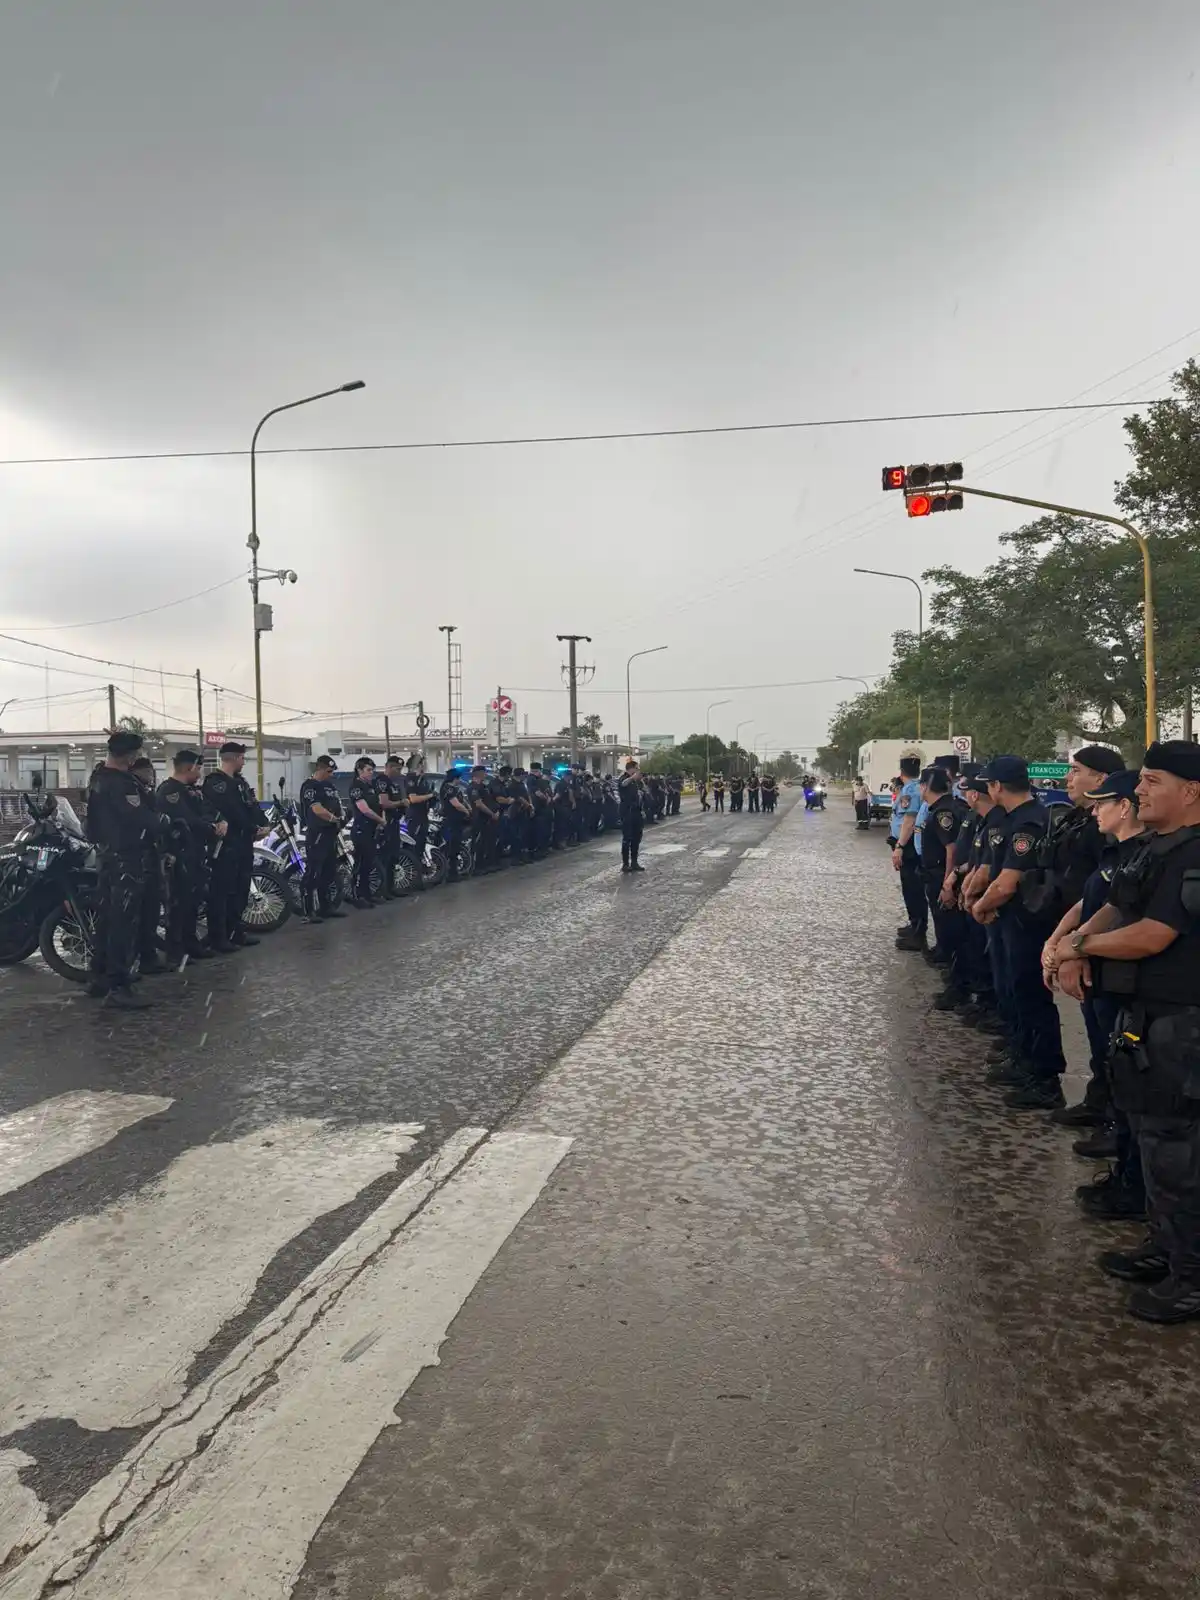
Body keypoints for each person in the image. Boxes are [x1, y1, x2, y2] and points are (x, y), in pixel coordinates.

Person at [1050, 742, 1200, 1323]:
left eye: (1152, 782)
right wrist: (1073, 944)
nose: (1139, 791)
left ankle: (1190, 1277)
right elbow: (1117, 906)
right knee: (1153, 1140)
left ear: (1189, 791)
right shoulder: (1155, 850)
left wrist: (1078, 946)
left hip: (1183, 1022)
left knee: (1179, 1150)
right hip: (1147, 1017)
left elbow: (1152, 935)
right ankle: (1166, 1250)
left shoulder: (1192, 856)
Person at [1042, 769, 1146, 1218]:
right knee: (1109, 1063)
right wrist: (1061, 942)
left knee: (1133, 1084)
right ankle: (1122, 1167)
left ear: (1124, 806)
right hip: (1101, 974)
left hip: (1125, 982)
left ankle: (1134, 1186)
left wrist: (1076, 949)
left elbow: (1131, 921)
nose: (1094, 809)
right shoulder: (1115, 854)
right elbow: (1093, 904)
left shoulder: (1146, 855)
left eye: (1102, 802)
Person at [969, 755, 1067, 1110]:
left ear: (996, 786)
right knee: (1011, 990)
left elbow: (1008, 881)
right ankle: (1022, 1058)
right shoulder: (1012, 819)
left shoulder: (1028, 823)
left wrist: (979, 905)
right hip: (1008, 922)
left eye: (988, 784)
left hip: (1025, 921)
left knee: (1030, 995)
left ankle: (1044, 1078)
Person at [85, 731, 158, 1008]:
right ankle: (118, 984)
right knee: (123, 923)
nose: (137, 758)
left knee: (107, 919)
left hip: (106, 857)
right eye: (136, 754)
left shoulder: (98, 778)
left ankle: (99, 976)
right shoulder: (121, 784)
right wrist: (164, 823)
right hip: (125, 860)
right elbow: (139, 816)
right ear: (129, 755)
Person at [157, 749, 225, 963]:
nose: (200, 772)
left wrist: (219, 821)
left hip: (195, 853)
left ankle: (191, 943)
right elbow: (187, 820)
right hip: (178, 855)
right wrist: (211, 827)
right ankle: (175, 951)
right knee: (178, 904)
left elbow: (208, 811)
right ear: (188, 767)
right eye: (198, 767)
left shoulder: (192, 791)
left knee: (192, 901)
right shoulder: (169, 791)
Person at [202, 741, 265, 951]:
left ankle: (236, 932)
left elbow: (251, 805)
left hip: (244, 842)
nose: (243, 762)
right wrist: (252, 827)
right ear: (235, 758)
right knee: (222, 892)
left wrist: (263, 824)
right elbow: (231, 811)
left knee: (240, 889)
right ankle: (218, 937)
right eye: (242, 758)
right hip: (226, 844)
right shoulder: (215, 783)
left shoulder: (240, 782)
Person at [920, 766, 970, 1008]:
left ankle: (957, 987)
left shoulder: (943, 812)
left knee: (951, 933)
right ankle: (956, 981)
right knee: (949, 932)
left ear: (926, 787)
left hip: (942, 876)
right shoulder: (947, 807)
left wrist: (947, 882)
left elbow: (950, 849)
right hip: (940, 876)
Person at [298, 755, 346, 921]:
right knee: (313, 873)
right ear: (320, 769)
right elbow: (317, 809)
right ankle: (308, 911)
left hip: (331, 834)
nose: (331, 774)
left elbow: (337, 804)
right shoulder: (310, 786)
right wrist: (334, 819)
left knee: (328, 872)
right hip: (317, 833)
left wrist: (340, 817)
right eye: (329, 771)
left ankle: (325, 908)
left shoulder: (329, 785)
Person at [892, 757, 927, 950]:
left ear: (901, 772)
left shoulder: (909, 790)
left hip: (909, 845)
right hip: (911, 844)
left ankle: (918, 932)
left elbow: (909, 820)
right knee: (912, 888)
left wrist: (900, 846)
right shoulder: (918, 786)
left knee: (912, 888)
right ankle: (915, 925)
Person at [347, 757, 386, 908]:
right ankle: (358, 896)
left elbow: (379, 805)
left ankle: (367, 894)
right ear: (359, 770)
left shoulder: (370, 785)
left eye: (372, 770)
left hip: (371, 829)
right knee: (360, 864)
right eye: (368, 770)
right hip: (361, 829)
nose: (371, 773)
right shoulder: (356, 786)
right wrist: (380, 820)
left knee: (368, 865)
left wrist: (380, 820)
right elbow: (364, 809)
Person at [375, 755, 408, 900]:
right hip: (385, 823)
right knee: (385, 857)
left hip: (395, 822)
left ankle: (391, 887)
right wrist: (401, 803)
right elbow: (384, 803)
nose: (399, 771)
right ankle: (383, 889)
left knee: (393, 856)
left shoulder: (393, 783)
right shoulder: (382, 781)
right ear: (388, 766)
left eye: (400, 769)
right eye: (397, 768)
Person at [439, 766, 474, 881]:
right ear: (455, 778)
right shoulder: (448, 788)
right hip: (451, 820)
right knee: (452, 845)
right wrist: (466, 811)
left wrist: (468, 809)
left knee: (456, 845)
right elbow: (456, 804)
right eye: (459, 778)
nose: (460, 781)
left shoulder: (456, 789)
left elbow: (462, 801)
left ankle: (454, 871)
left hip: (457, 821)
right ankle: (451, 873)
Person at [469, 764, 500, 871]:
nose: (485, 774)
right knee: (479, 844)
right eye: (484, 772)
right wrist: (492, 814)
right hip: (479, 819)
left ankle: (487, 864)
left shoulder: (483, 786)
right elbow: (479, 804)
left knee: (487, 842)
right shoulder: (473, 788)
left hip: (487, 820)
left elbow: (490, 801)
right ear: (479, 774)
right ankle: (478, 867)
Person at [619, 758, 645, 873]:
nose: (637, 770)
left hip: (636, 812)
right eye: (636, 768)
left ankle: (634, 862)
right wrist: (632, 778)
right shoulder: (624, 778)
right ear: (631, 769)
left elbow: (641, 793)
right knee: (627, 838)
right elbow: (623, 784)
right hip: (627, 812)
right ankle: (625, 864)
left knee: (637, 838)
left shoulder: (636, 782)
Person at [527, 762, 553, 857]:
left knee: (544, 830)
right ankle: (537, 850)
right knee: (539, 831)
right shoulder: (531, 779)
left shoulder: (538, 779)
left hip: (541, 808)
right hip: (537, 809)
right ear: (536, 770)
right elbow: (537, 793)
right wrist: (546, 798)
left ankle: (542, 848)